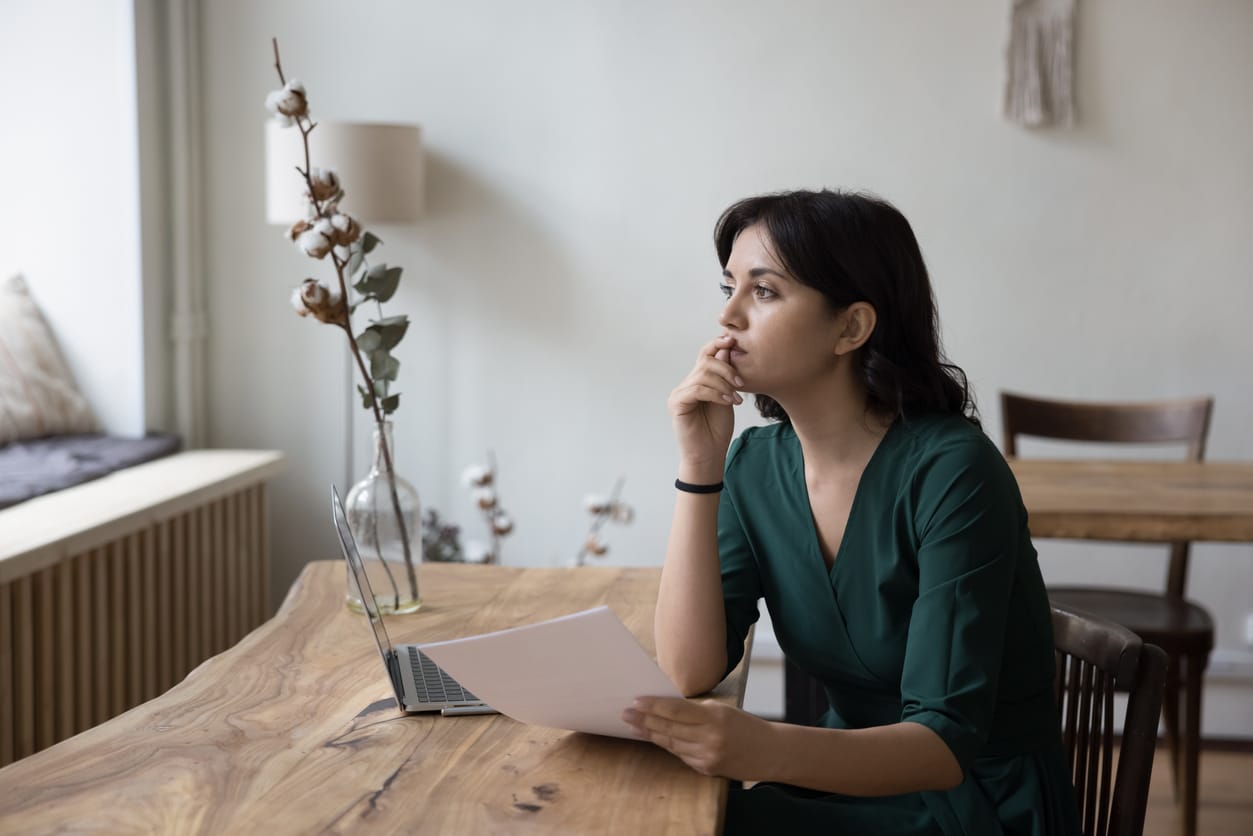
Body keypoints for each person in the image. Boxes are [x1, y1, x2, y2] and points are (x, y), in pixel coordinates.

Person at [621, 189, 1082, 835]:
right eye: (727, 287)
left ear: (850, 327)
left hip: (971, 804)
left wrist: (757, 745)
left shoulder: (952, 470)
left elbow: (942, 746)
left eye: (764, 291)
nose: (726, 316)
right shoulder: (754, 463)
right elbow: (689, 668)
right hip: (836, 777)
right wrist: (699, 470)